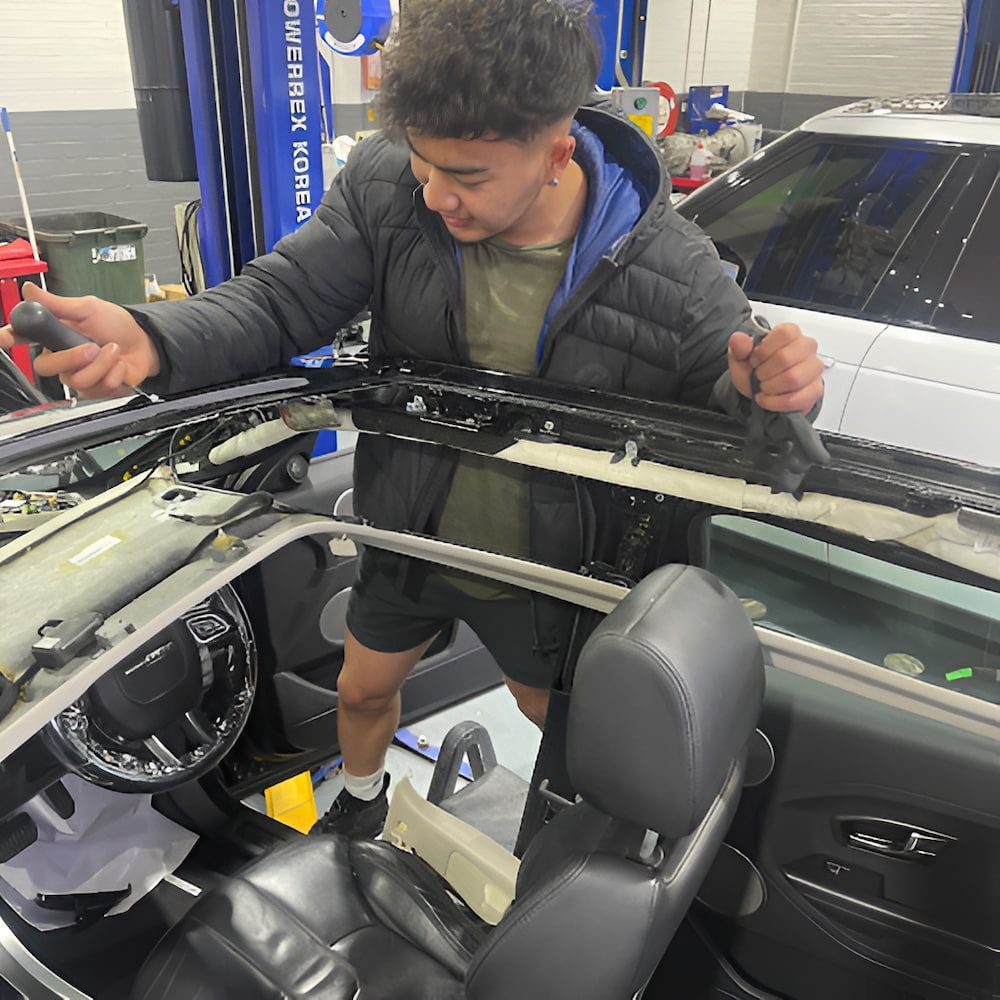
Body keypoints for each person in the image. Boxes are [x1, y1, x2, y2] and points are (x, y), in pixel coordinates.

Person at [0, 0, 823, 839]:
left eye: (465, 177)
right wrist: (152, 335)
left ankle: (588, 857)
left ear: (556, 154)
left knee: (560, 724)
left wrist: (770, 395)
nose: (435, 197)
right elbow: (282, 300)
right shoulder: (390, 188)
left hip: (546, 563)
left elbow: (750, 440)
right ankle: (359, 807)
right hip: (410, 528)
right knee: (362, 689)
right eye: (423, 165)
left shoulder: (673, 273)